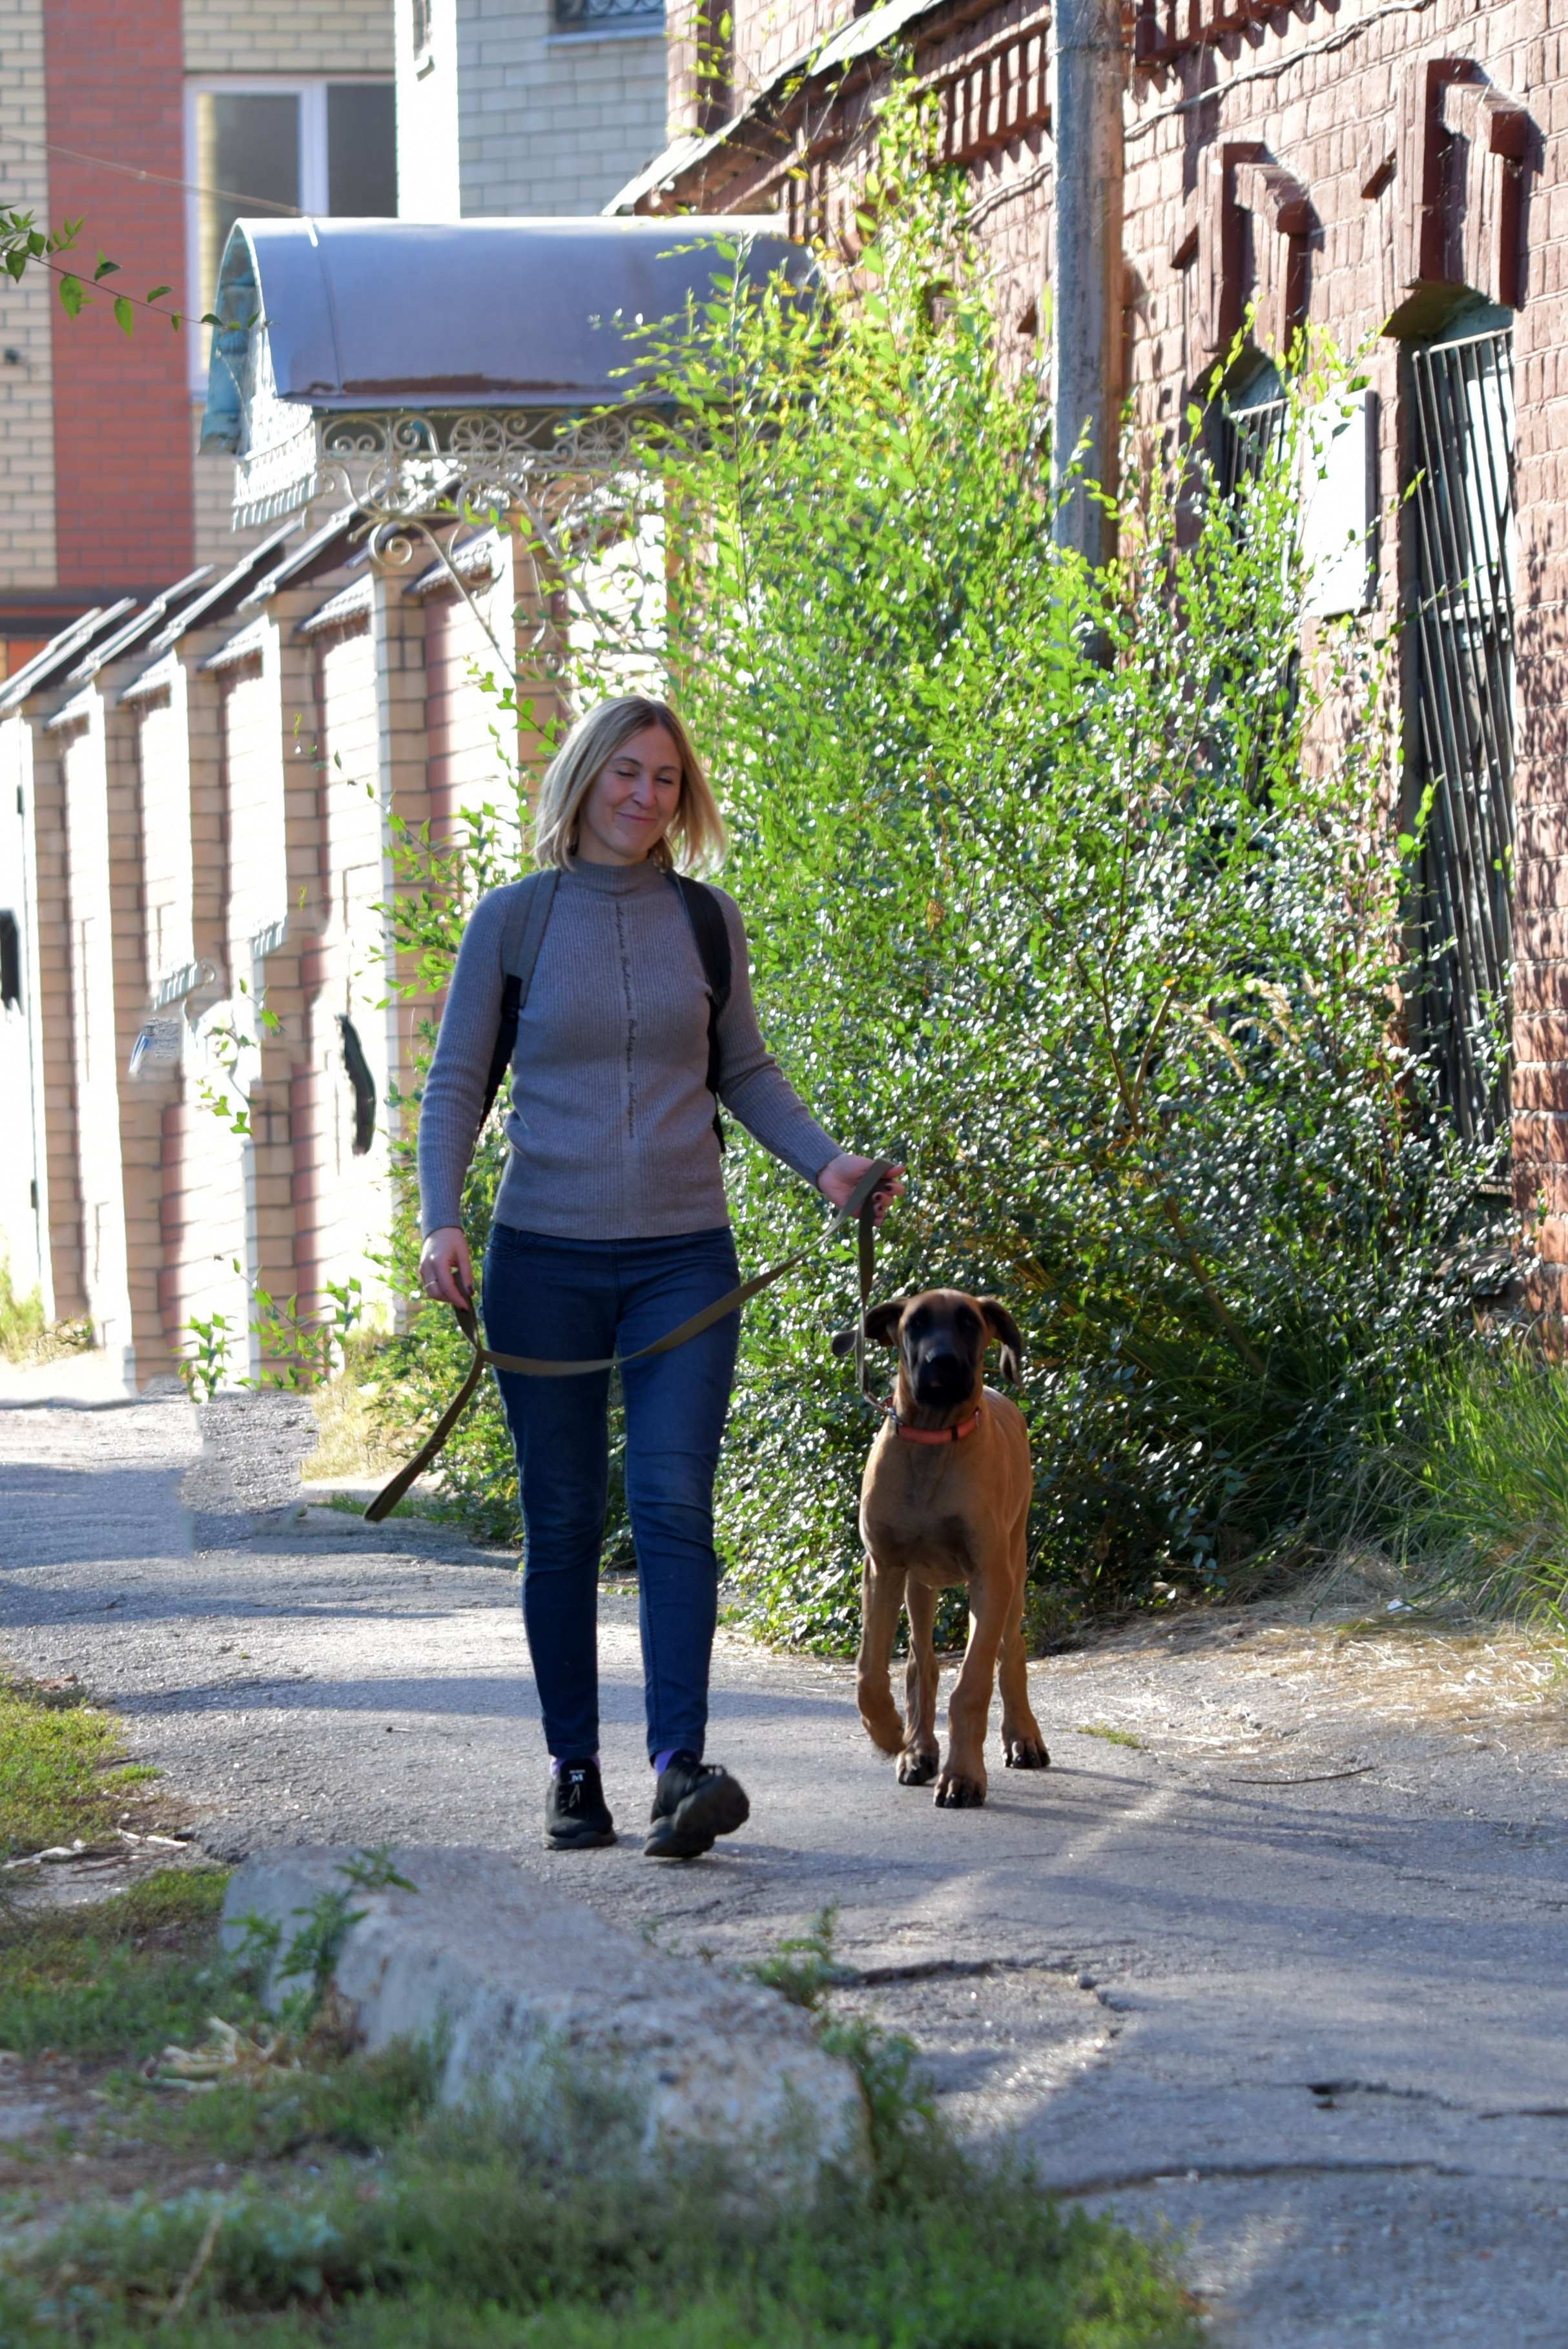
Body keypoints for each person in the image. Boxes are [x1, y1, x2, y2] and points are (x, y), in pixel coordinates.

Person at [417, 694, 901, 1859]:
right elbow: (453, 1086)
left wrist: (829, 1166)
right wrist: (442, 1225)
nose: (646, 796)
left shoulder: (703, 921)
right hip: (544, 1261)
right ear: (584, 779)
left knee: (675, 1501)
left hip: (686, 1256)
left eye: (668, 780)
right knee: (565, 1514)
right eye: (627, 773)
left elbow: (747, 1070)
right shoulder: (514, 923)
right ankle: (571, 1768)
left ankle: (679, 1770)